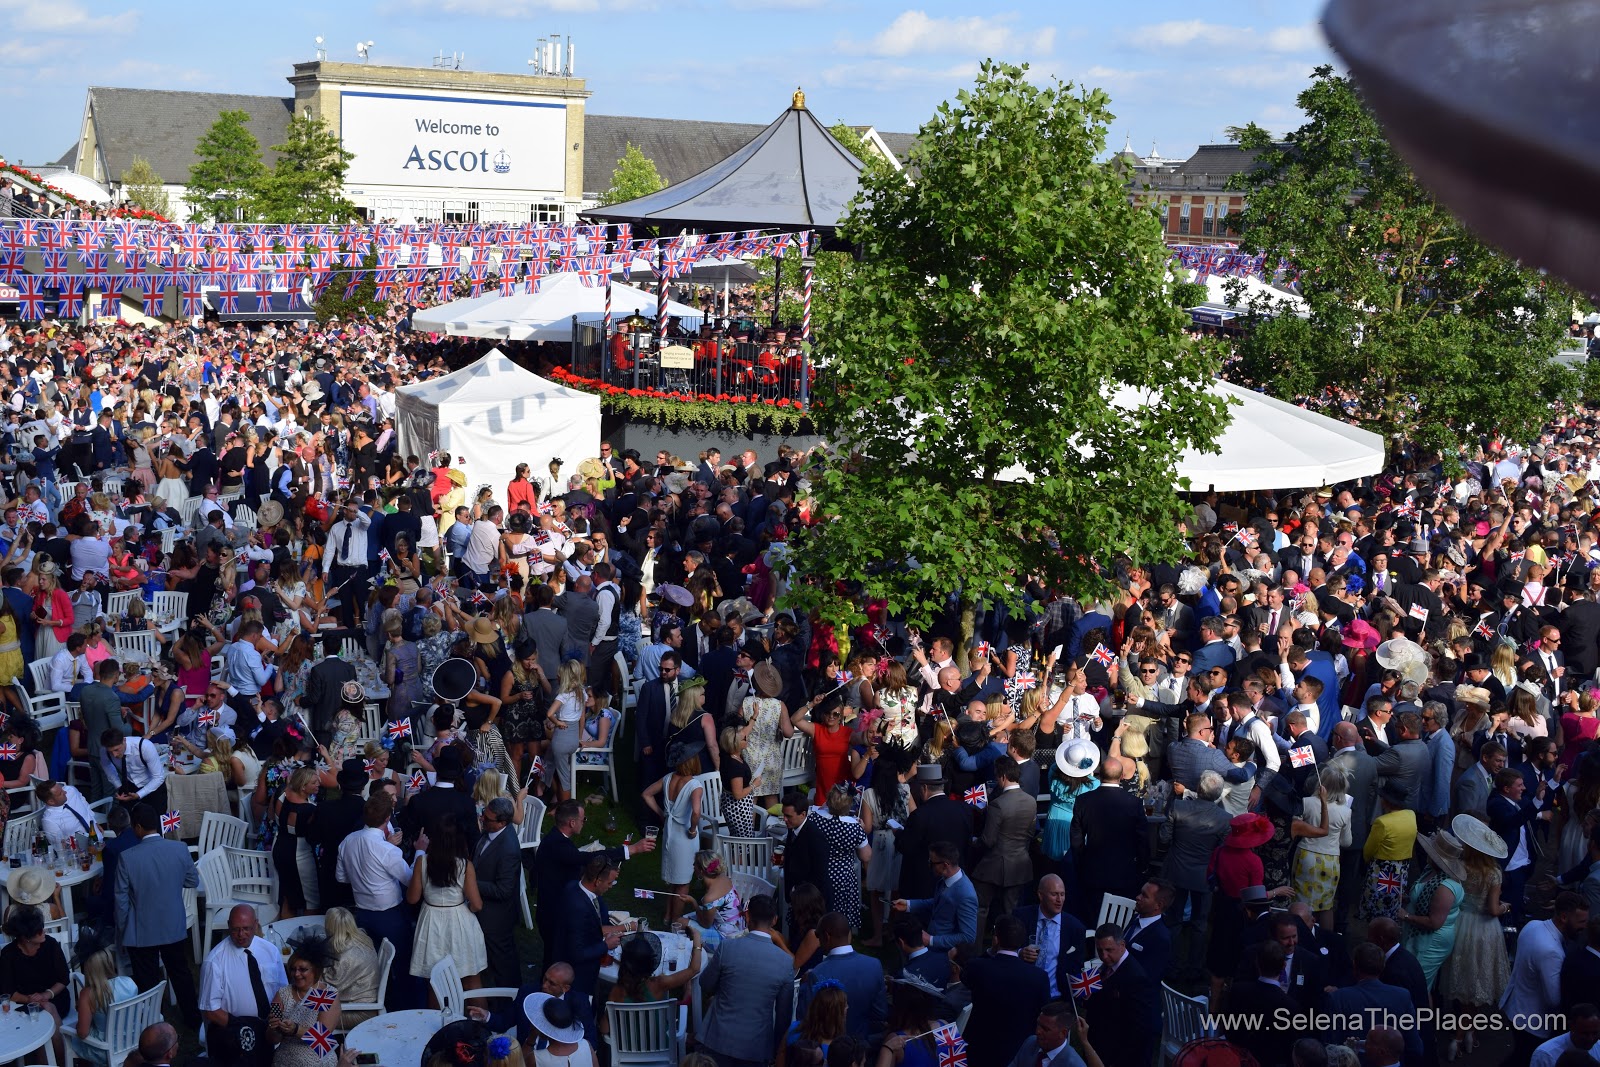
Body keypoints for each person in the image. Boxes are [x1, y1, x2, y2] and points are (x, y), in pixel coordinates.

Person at [115, 803, 201, 1029]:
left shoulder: (127, 857)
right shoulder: (179, 848)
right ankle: (193, 1019)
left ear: (139, 827)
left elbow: (121, 901)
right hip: (172, 924)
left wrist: (123, 931)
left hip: (140, 930)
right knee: (180, 973)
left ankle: (152, 1024)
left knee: (147, 981)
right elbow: (193, 881)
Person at [335, 792, 420, 1010]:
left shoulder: (348, 841)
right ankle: (403, 1008)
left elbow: (341, 877)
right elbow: (410, 880)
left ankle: (379, 1003)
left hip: (362, 914)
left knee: (373, 964)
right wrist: (420, 853)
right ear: (386, 819)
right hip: (389, 915)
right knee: (401, 963)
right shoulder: (386, 849)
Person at [699, 893, 795, 1067]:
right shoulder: (786, 962)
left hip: (717, 1040)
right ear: (774, 920)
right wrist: (775, 1051)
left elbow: (705, 983)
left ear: (748, 916)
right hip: (756, 1048)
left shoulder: (727, 947)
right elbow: (783, 1016)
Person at [1504, 891, 1592, 1064]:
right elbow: (1553, 1000)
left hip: (1515, 1008)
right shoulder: (1551, 951)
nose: (1584, 927)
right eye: (1581, 922)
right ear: (1564, 917)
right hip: (1533, 1023)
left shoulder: (1533, 925)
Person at [552, 856, 630, 1039]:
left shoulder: (574, 887)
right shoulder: (578, 907)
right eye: (610, 882)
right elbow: (577, 953)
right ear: (597, 881)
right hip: (578, 975)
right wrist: (605, 945)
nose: (611, 886)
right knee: (579, 1018)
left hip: (576, 961)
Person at [200, 903, 289, 1065]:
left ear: (256, 924)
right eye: (235, 929)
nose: (241, 934)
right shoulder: (215, 961)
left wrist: (275, 1021)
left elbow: (282, 991)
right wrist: (244, 1027)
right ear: (228, 926)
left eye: (247, 928)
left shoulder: (270, 951)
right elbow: (210, 1010)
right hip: (233, 1032)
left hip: (269, 1027)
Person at [962, 915, 1051, 1067]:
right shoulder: (1039, 977)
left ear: (996, 939)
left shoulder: (977, 967)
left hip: (980, 1050)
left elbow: (965, 977)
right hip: (1018, 1052)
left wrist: (991, 950)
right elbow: (1043, 1011)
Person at [408, 818, 487, 985]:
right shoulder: (465, 865)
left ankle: (437, 1013)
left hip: (431, 921)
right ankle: (479, 1012)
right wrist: (468, 907)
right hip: (460, 920)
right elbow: (477, 904)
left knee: (435, 983)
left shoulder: (422, 862)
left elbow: (412, 898)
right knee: (470, 977)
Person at [795, 913, 887, 1041]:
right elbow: (880, 1013)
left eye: (819, 937)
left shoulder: (817, 973)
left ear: (826, 937)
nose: (819, 943)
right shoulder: (874, 965)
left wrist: (804, 986)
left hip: (830, 1051)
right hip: (863, 1046)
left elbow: (805, 1018)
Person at [971, 755, 1035, 937]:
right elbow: (1030, 833)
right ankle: (1011, 950)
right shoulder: (1030, 801)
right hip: (1020, 863)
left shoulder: (998, 804)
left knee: (980, 908)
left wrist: (974, 843)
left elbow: (988, 840)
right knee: (1012, 912)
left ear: (1003, 777)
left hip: (994, 863)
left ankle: (973, 951)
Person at [600, 924, 704, 1035]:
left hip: (626, 1050)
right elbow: (694, 969)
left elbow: (604, 1029)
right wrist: (697, 939)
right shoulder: (659, 984)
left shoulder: (616, 991)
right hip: (661, 1046)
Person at [642, 756, 705, 925]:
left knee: (673, 880)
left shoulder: (668, 778)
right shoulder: (695, 785)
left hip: (670, 834)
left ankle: (667, 916)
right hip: (684, 838)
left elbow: (646, 794)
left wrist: (662, 813)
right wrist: (692, 829)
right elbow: (696, 812)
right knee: (683, 883)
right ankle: (675, 921)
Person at [65, 935, 140, 1066]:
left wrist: (79, 1020)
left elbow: (82, 1033)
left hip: (105, 1049)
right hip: (133, 1039)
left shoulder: (88, 995)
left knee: (71, 1036)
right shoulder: (129, 983)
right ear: (109, 962)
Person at [474, 795, 524, 990]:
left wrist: (470, 882)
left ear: (502, 822)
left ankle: (509, 1003)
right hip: (486, 913)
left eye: (487, 819)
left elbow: (503, 890)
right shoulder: (491, 832)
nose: (482, 820)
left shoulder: (508, 848)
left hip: (497, 919)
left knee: (503, 967)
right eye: (483, 815)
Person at [269, 937, 342, 1067]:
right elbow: (273, 1039)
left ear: (315, 970)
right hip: (285, 1060)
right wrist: (274, 1029)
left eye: (303, 969)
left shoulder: (325, 994)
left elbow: (322, 1040)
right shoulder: (282, 994)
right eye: (293, 969)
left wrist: (296, 1029)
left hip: (318, 1060)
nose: (296, 974)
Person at [892, 840, 978, 951]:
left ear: (945, 865)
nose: (929, 865)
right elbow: (939, 903)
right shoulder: (946, 880)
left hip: (945, 954)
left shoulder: (966, 895)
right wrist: (908, 905)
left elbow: (968, 937)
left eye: (932, 863)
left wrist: (931, 940)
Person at [0, 904, 70, 1022]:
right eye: (38, 931)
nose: (44, 931)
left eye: (42, 927)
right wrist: (29, 1000)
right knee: (41, 1011)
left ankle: (56, 1040)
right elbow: (8, 991)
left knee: (48, 1007)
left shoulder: (50, 945)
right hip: (23, 1004)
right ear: (26, 937)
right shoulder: (9, 954)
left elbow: (63, 979)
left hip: (54, 997)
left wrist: (44, 995)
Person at [322, 907, 380, 1028]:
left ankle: (319, 1046)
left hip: (359, 1012)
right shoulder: (362, 937)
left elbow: (329, 988)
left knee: (307, 1014)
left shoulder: (344, 956)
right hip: (363, 1001)